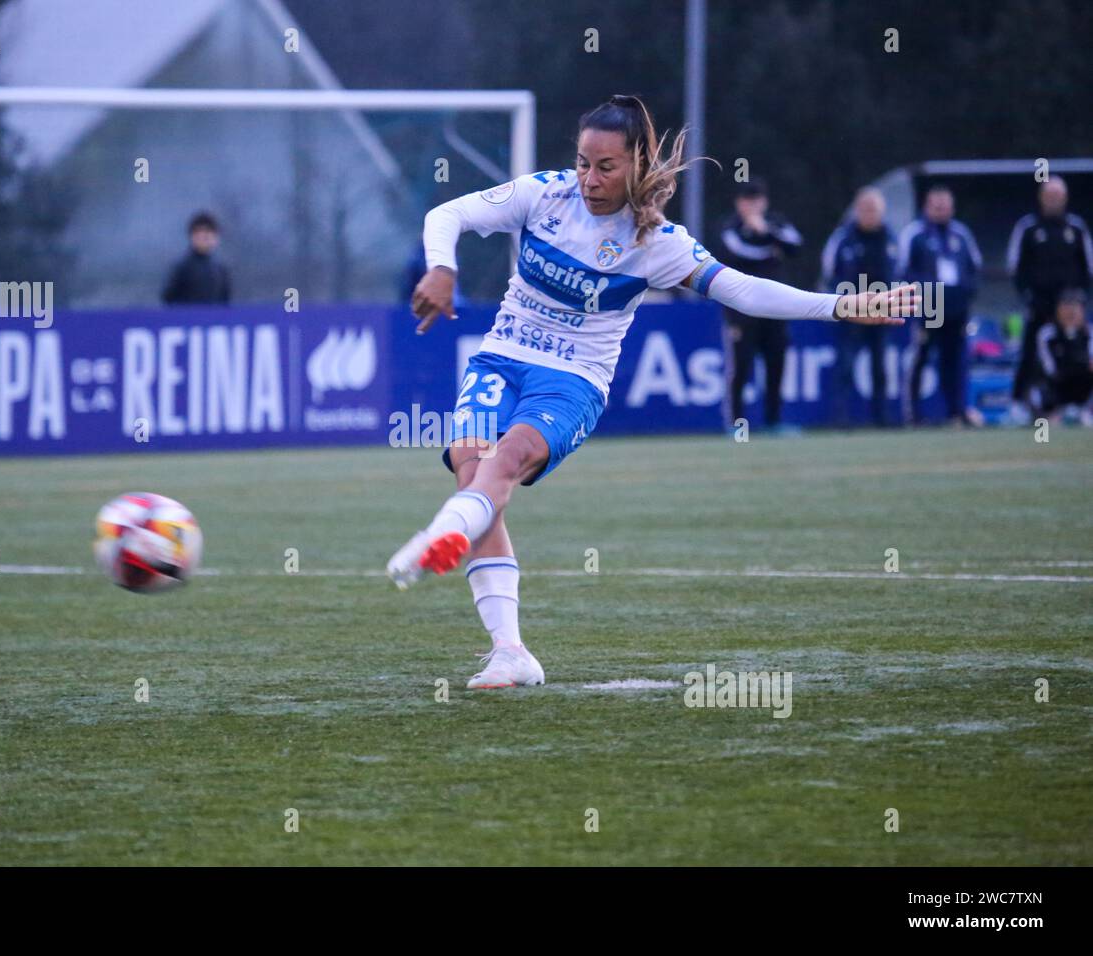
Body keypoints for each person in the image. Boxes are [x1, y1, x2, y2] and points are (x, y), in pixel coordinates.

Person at [386, 95, 919, 689]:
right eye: (584, 162)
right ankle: (509, 650)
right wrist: (442, 267)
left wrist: (842, 305)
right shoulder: (546, 193)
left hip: (573, 381)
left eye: (606, 166)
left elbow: (744, 292)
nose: (589, 178)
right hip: (500, 358)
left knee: (503, 462)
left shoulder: (660, 243)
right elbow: (446, 215)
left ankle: (444, 533)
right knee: (471, 468)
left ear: (637, 164)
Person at [716, 178, 804, 433]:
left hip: (775, 308)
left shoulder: (776, 223)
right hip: (740, 311)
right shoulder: (729, 227)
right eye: (747, 200)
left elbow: (796, 245)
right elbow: (738, 253)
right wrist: (771, 247)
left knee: (776, 363)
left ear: (764, 202)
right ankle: (736, 423)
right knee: (741, 366)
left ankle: (774, 421)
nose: (752, 205)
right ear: (738, 203)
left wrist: (766, 232)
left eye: (756, 200)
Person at [1006, 178, 1093, 417]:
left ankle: (1078, 405)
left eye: (1058, 195)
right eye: (1049, 195)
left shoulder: (1076, 228)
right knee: (1029, 352)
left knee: (1079, 355)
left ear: (1065, 198)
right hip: (1039, 305)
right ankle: (1019, 403)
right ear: (1041, 197)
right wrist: (1029, 297)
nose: (1054, 200)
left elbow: (1087, 267)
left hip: (1071, 310)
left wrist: (1079, 300)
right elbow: (1016, 267)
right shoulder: (1029, 228)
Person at [897, 185, 981, 426]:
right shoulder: (915, 234)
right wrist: (924, 297)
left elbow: (974, 268)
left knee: (955, 361)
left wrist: (965, 295)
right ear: (927, 207)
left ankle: (956, 413)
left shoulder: (961, 234)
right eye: (937, 206)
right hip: (929, 308)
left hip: (956, 310)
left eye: (945, 206)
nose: (942, 211)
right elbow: (904, 271)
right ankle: (913, 415)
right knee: (920, 358)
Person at [821, 187, 898, 426]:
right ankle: (841, 418)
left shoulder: (891, 238)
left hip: (880, 311)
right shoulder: (843, 238)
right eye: (865, 209)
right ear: (856, 211)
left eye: (874, 209)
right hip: (851, 312)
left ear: (882, 211)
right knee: (845, 366)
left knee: (880, 368)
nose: (869, 214)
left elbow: (900, 271)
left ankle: (882, 418)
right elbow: (828, 272)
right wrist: (843, 302)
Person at [1030, 287, 1093, 426]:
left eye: (1075, 307)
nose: (1071, 312)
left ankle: (1086, 412)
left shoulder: (1089, 333)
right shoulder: (1047, 334)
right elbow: (1049, 369)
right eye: (1065, 306)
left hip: (1084, 386)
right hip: (1057, 386)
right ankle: (1051, 415)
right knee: (1037, 390)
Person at [162, 212, 232, 305]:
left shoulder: (220, 269)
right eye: (199, 232)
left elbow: (225, 301)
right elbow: (168, 298)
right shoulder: (182, 267)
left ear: (216, 237)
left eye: (209, 232)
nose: (204, 237)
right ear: (191, 236)